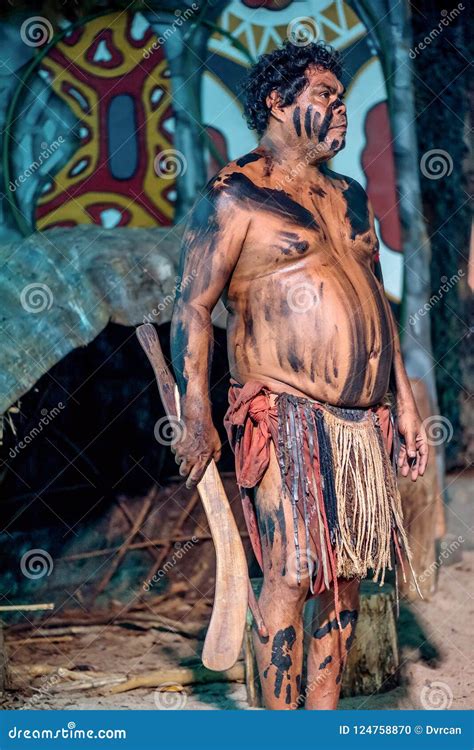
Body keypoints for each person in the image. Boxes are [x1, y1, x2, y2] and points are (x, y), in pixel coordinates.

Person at [170, 40, 428, 710]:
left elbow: (377, 300)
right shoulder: (234, 196)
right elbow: (194, 307)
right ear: (279, 105)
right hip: (283, 412)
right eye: (327, 99)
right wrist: (195, 413)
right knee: (291, 571)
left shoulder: (348, 194)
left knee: (343, 581)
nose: (342, 111)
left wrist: (401, 404)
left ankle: (321, 724)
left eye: (344, 99)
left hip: (360, 420)